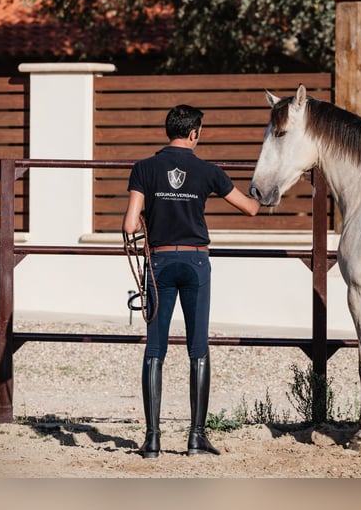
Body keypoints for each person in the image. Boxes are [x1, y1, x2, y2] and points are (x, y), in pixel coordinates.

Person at [122, 104, 260, 458]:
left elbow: (129, 225)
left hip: (160, 261)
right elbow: (250, 208)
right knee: (198, 348)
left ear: (169, 130)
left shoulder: (144, 168)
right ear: (195, 133)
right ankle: (196, 437)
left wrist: (150, 217)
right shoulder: (207, 171)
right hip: (196, 261)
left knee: (155, 350)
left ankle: (152, 440)